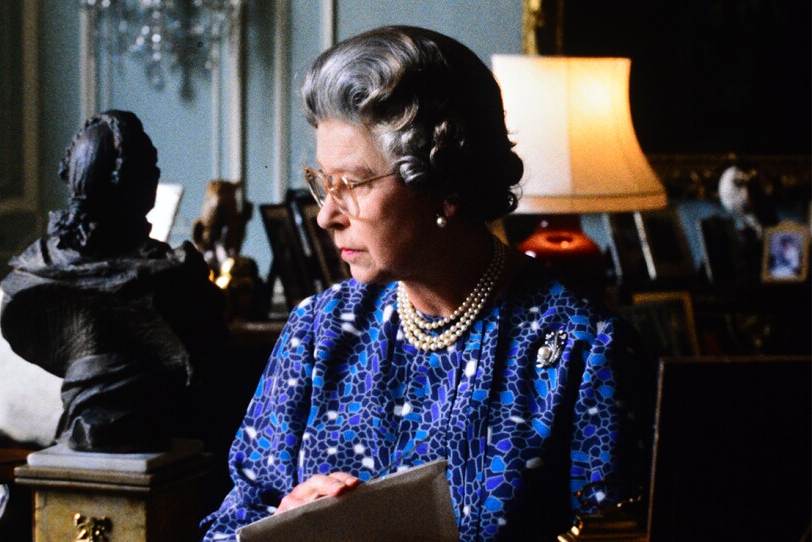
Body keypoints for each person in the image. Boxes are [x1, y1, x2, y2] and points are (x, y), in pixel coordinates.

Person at [202, 26, 651, 541]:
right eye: (324, 182)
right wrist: (286, 518)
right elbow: (230, 525)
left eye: (351, 183)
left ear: (444, 186)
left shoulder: (582, 350)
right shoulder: (318, 332)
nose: (327, 214)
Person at [0, 110, 231, 453]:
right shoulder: (174, 278)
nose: (156, 177)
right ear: (137, 183)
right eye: (151, 170)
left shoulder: (31, 266)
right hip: (132, 424)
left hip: (139, 429)